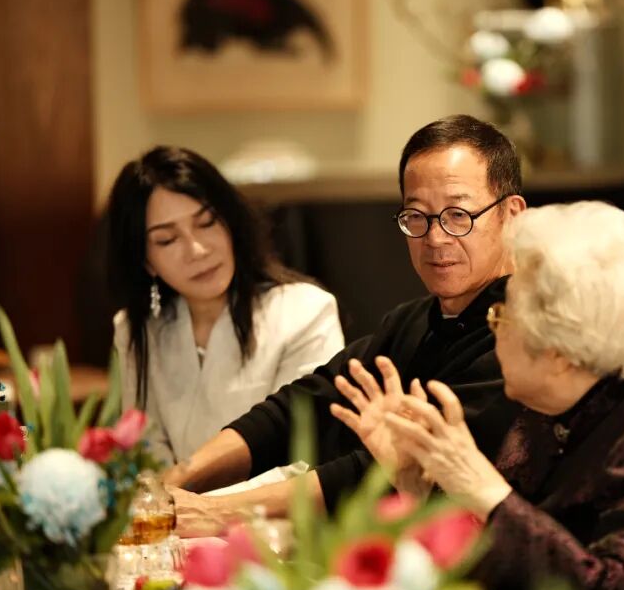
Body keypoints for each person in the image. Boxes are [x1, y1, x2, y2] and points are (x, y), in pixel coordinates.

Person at [334, 202, 624, 590]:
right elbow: (509, 562)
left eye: (503, 316)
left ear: (560, 353)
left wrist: (484, 489)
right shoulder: (552, 403)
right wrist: (417, 488)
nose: (493, 328)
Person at [164, 115, 526, 533]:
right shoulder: (412, 321)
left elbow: (384, 471)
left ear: (511, 214)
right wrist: (174, 480)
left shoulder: (524, 336)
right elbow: (307, 405)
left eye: (458, 214)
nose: (435, 238)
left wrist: (218, 512)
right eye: (417, 216)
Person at [107, 146, 344, 464]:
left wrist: (196, 494)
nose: (197, 249)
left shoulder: (305, 313)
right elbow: (145, 453)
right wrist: (173, 493)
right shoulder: (136, 329)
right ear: (146, 261)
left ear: (230, 223)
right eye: (167, 239)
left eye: (206, 222)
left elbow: (304, 458)